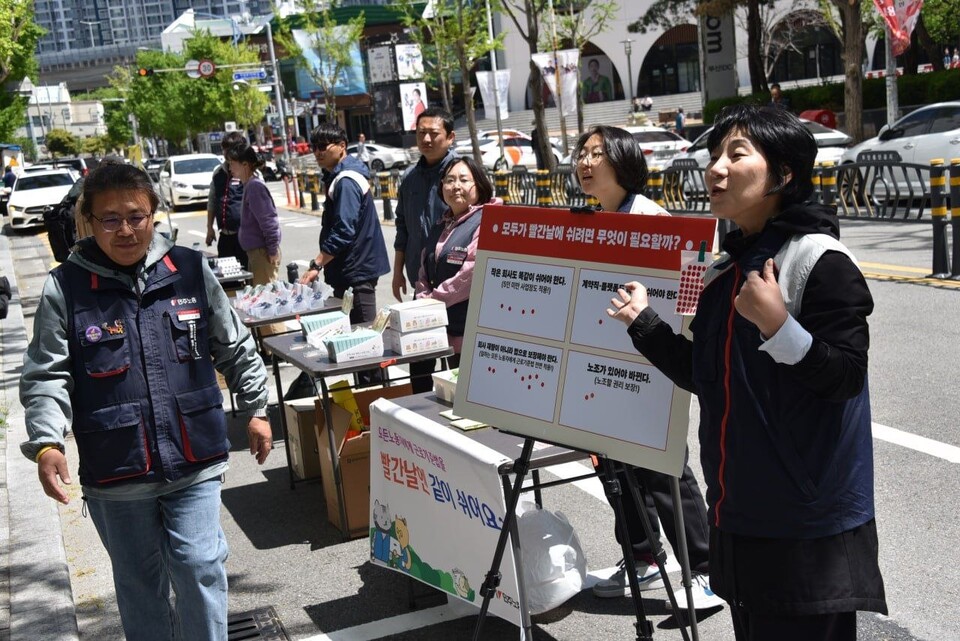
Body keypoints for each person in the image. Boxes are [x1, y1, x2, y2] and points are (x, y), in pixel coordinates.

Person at [606, 105, 887, 640]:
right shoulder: (721, 271)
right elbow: (702, 375)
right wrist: (643, 324)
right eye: (714, 156)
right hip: (737, 511)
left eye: (737, 155)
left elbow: (846, 376)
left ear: (783, 174)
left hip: (805, 525)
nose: (716, 169)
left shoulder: (820, 261)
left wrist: (781, 325)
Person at [19, 161, 272, 641]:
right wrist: (47, 441)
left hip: (193, 458)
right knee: (139, 588)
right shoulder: (65, 287)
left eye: (135, 215)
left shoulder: (191, 271)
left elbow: (235, 345)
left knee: (200, 566)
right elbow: (47, 374)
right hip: (117, 471)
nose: (125, 229)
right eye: (109, 218)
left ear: (154, 213)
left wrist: (257, 408)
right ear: (88, 223)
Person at [572, 125, 721, 610]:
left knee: (663, 467)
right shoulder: (596, 219)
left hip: (654, 358)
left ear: (623, 159)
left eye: (597, 153)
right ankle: (642, 557)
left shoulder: (653, 218)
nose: (585, 161)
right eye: (581, 153)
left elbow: (693, 276)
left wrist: (677, 333)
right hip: (605, 362)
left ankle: (703, 570)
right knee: (612, 464)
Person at [301, 123, 391, 383]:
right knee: (356, 340)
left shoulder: (347, 181)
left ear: (342, 146)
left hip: (357, 270)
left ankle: (375, 398)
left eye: (323, 147)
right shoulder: (339, 177)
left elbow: (343, 230)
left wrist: (317, 264)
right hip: (351, 269)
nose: (317, 152)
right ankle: (368, 398)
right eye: (313, 147)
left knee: (365, 342)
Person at [413, 156, 495, 380]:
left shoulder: (487, 221)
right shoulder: (442, 223)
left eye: (463, 180)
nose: (455, 186)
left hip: (469, 330)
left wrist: (432, 302)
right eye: (449, 180)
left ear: (478, 184)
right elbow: (424, 269)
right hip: (440, 328)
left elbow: (470, 274)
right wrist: (422, 298)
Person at [227, 141, 284, 337]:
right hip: (256, 252)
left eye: (232, 163)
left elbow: (269, 221)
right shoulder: (249, 185)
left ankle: (276, 346)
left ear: (245, 164)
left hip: (262, 252)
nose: (230, 168)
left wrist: (272, 248)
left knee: (266, 300)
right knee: (261, 299)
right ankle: (270, 346)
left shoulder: (254, 187)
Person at [206, 131, 248, 269]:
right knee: (229, 282)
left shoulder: (249, 172)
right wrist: (209, 228)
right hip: (225, 237)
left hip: (246, 237)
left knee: (251, 278)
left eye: (230, 149)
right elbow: (212, 201)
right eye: (225, 149)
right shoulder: (218, 173)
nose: (226, 153)